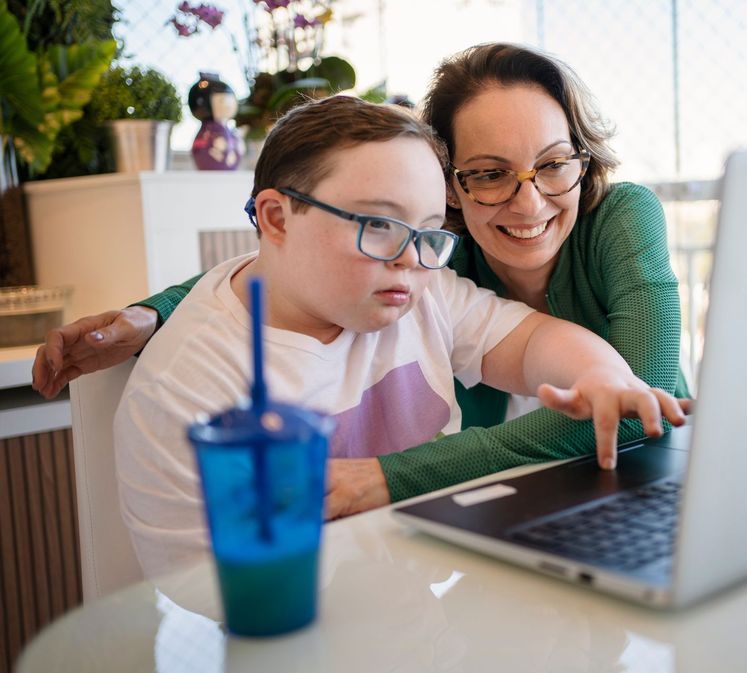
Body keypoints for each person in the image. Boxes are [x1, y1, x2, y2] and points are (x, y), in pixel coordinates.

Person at [33, 43, 689, 511]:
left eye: (552, 163)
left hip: (629, 486)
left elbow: (639, 405)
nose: (529, 201)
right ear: (451, 189)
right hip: (509, 508)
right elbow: (289, 261)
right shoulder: (435, 254)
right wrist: (157, 311)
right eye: (489, 172)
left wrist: (394, 476)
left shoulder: (616, 219)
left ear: (582, 157)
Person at [116, 94, 683, 576]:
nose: (413, 258)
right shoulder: (189, 387)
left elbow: (535, 343)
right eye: (379, 226)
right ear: (277, 219)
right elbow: (210, 601)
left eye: (430, 232)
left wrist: (601, 375)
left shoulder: (423, 294)